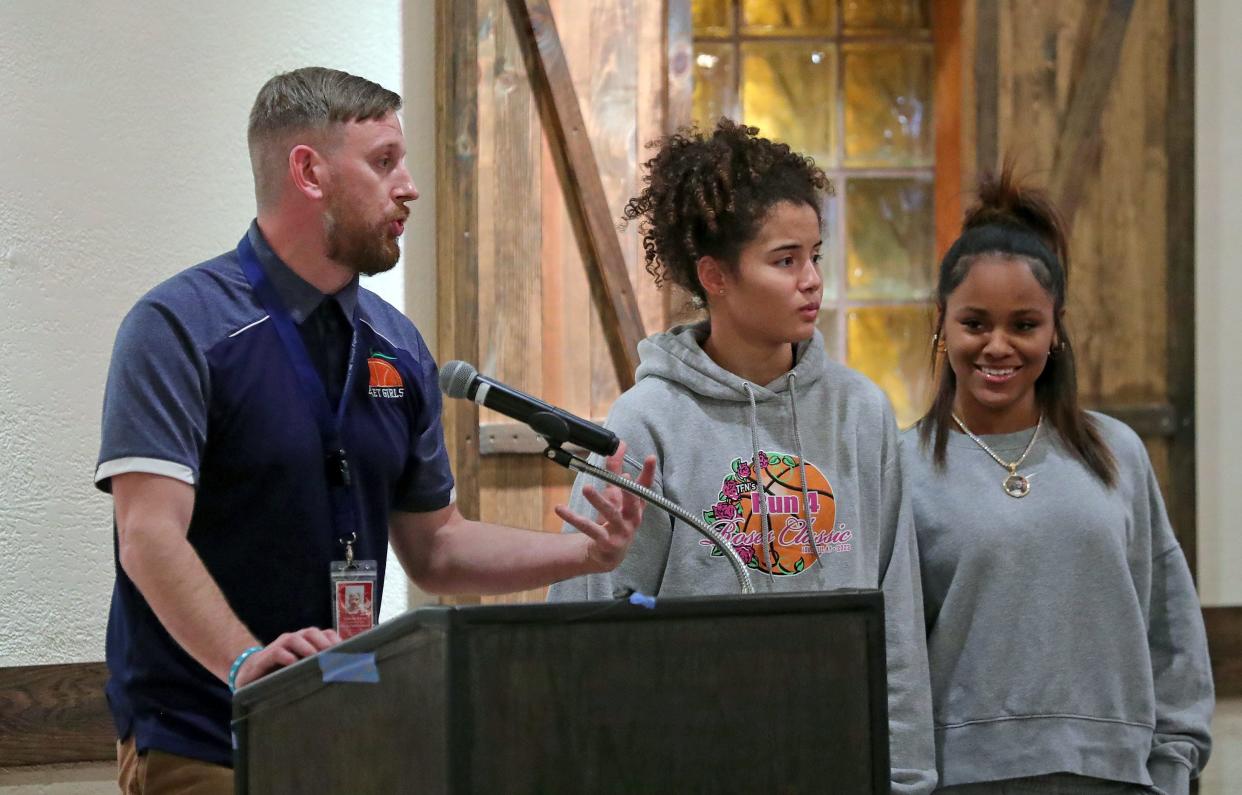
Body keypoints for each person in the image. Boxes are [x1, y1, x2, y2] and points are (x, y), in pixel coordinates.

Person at [96, 66, 654, 793]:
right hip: (207, 732)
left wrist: (580, 554)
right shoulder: (178, 328)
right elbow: (148, 533)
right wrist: (244, 663)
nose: (410, 187)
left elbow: (438, 547)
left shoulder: (397, 345)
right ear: (309, 171)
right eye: (384, 161)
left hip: (349, 728)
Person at [546, 119, 938, 794]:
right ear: (715, 275)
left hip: (839, 766)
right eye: (785, 260)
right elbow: (587, 616)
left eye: (816, 255)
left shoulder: (860, 413)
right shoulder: (647, 422)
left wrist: (907, 779)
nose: (811, 280)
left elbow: (895, 616)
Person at [903, 167, 1213, 793]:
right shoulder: (904, 467)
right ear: (943, 323)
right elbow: (894, 658)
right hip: (964, 781)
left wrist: (1173, 766)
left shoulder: (1116, 453)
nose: (998, 346)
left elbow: (1171, 627)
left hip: (1118, 778)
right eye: (975, 323)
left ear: (1056, 329)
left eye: (1024, 324)